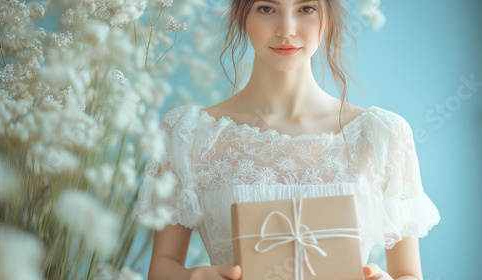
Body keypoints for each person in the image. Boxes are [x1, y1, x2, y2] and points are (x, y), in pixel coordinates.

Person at [137, 0, 440, 279]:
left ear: (328, 19)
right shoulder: (188, 133)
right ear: (241, 16)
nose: (286, 30)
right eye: (267, 8)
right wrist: (195, 277)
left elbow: (408, 273)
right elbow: (163, 266)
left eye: (306, 8)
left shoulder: (382, 134)